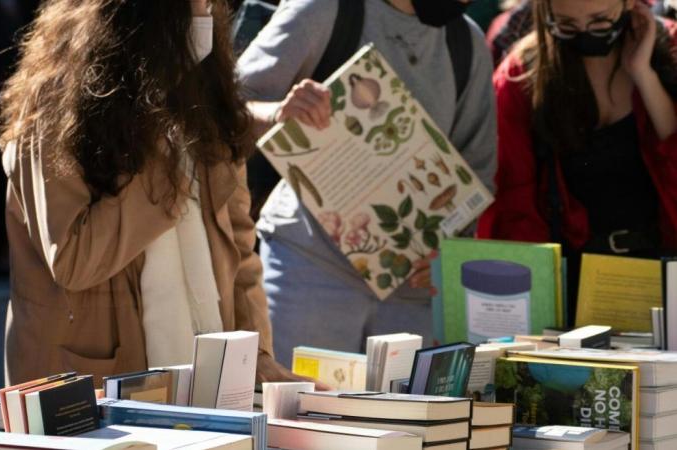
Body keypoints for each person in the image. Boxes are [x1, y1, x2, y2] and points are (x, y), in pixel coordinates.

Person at [0, 0, 300, 386]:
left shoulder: (205, 101)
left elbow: (238, 248)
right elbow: (74, 260)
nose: (206, 14)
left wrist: (254, 354)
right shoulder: (54, 110)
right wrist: (161, 152)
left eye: (210, 4)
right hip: (87, 393)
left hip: (202, 386)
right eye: (193, 5)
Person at [238, 0, 497, 366]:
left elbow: (478, 172)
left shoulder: (467, 41)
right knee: (297, 417)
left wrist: (448, 249)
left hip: (413, 292)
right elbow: (223, 110)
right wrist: (280, 112)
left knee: (407, 423)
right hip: (309, 273)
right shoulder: (323, 9)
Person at [478, 0, 677, 321]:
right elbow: (513, 203)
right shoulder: (522, 73)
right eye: (567, 25)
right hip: (574, 285)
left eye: (600, 21)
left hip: (666, 275)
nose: (585, 34)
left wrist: (644, 74)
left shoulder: (669, 47)